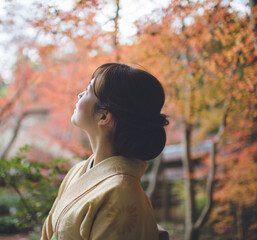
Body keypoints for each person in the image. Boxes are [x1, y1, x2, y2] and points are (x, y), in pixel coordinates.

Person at [41, 63, 169, 240]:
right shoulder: (77, 172)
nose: (79, 95)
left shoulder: (122, 194)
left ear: (104, 116)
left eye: (88, 90)